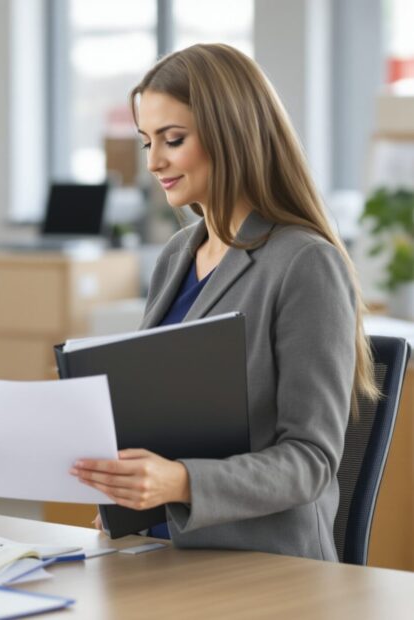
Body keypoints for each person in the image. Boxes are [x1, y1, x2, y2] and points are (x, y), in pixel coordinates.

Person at [69, 43, 378, 560]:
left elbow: (311, 460)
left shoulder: (305, 263)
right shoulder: (176, 256)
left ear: (230, 134)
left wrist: (180, 483)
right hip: (158, 553)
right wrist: (129, 489)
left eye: (173, 139)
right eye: (147, 142)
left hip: (265, 566)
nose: (154, 161)